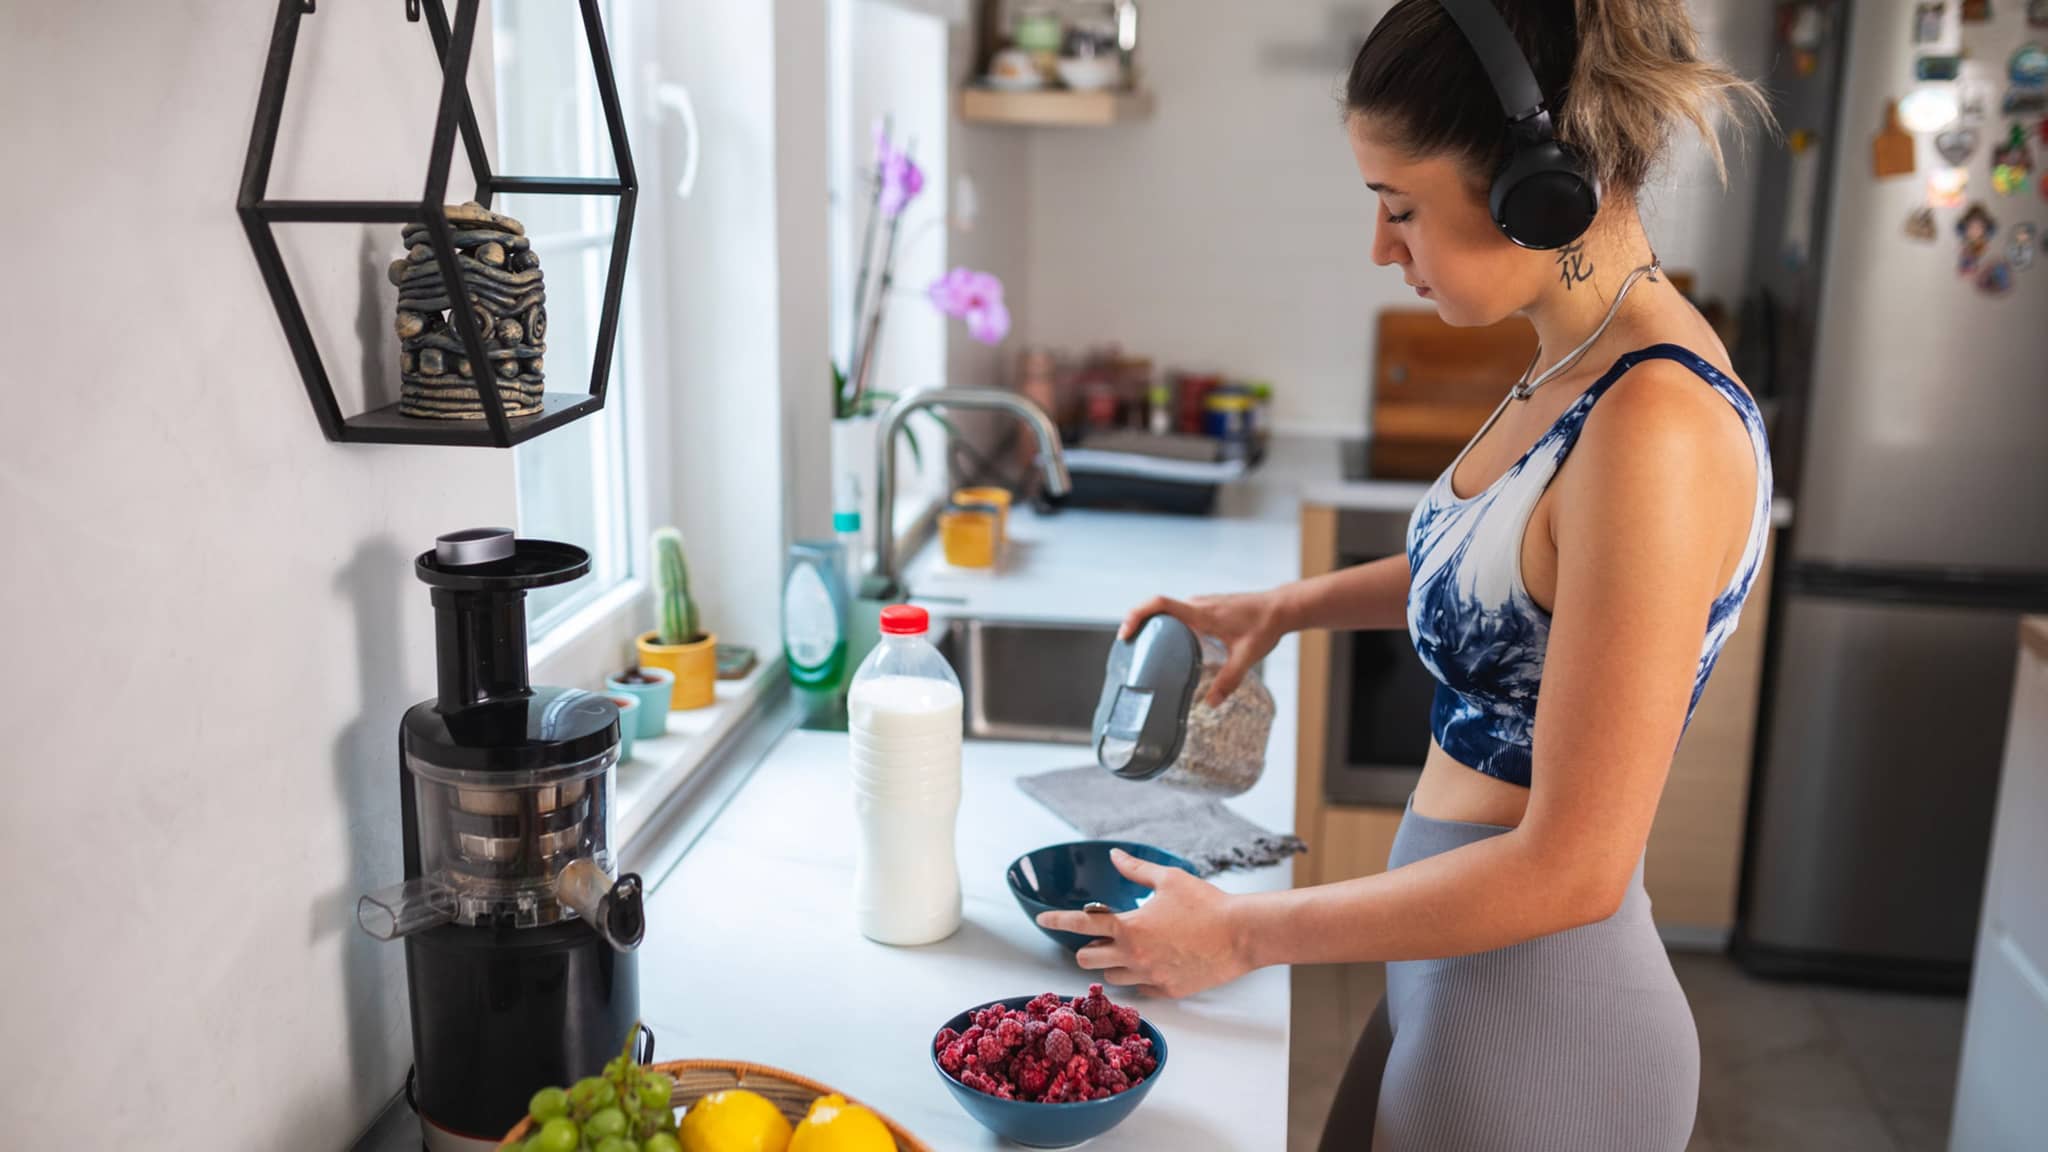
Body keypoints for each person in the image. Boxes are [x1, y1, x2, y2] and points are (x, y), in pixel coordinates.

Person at [1030, 1, 1773, 1148]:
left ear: (1537, 188)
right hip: (1457, 977)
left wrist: (1241, 931)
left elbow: (1574, 867)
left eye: (1399, 208)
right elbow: (1504, 580)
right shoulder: (1572, 362)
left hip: (1545, 1033)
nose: (1381, 248)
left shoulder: (1655, 428)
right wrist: (1284, 608)